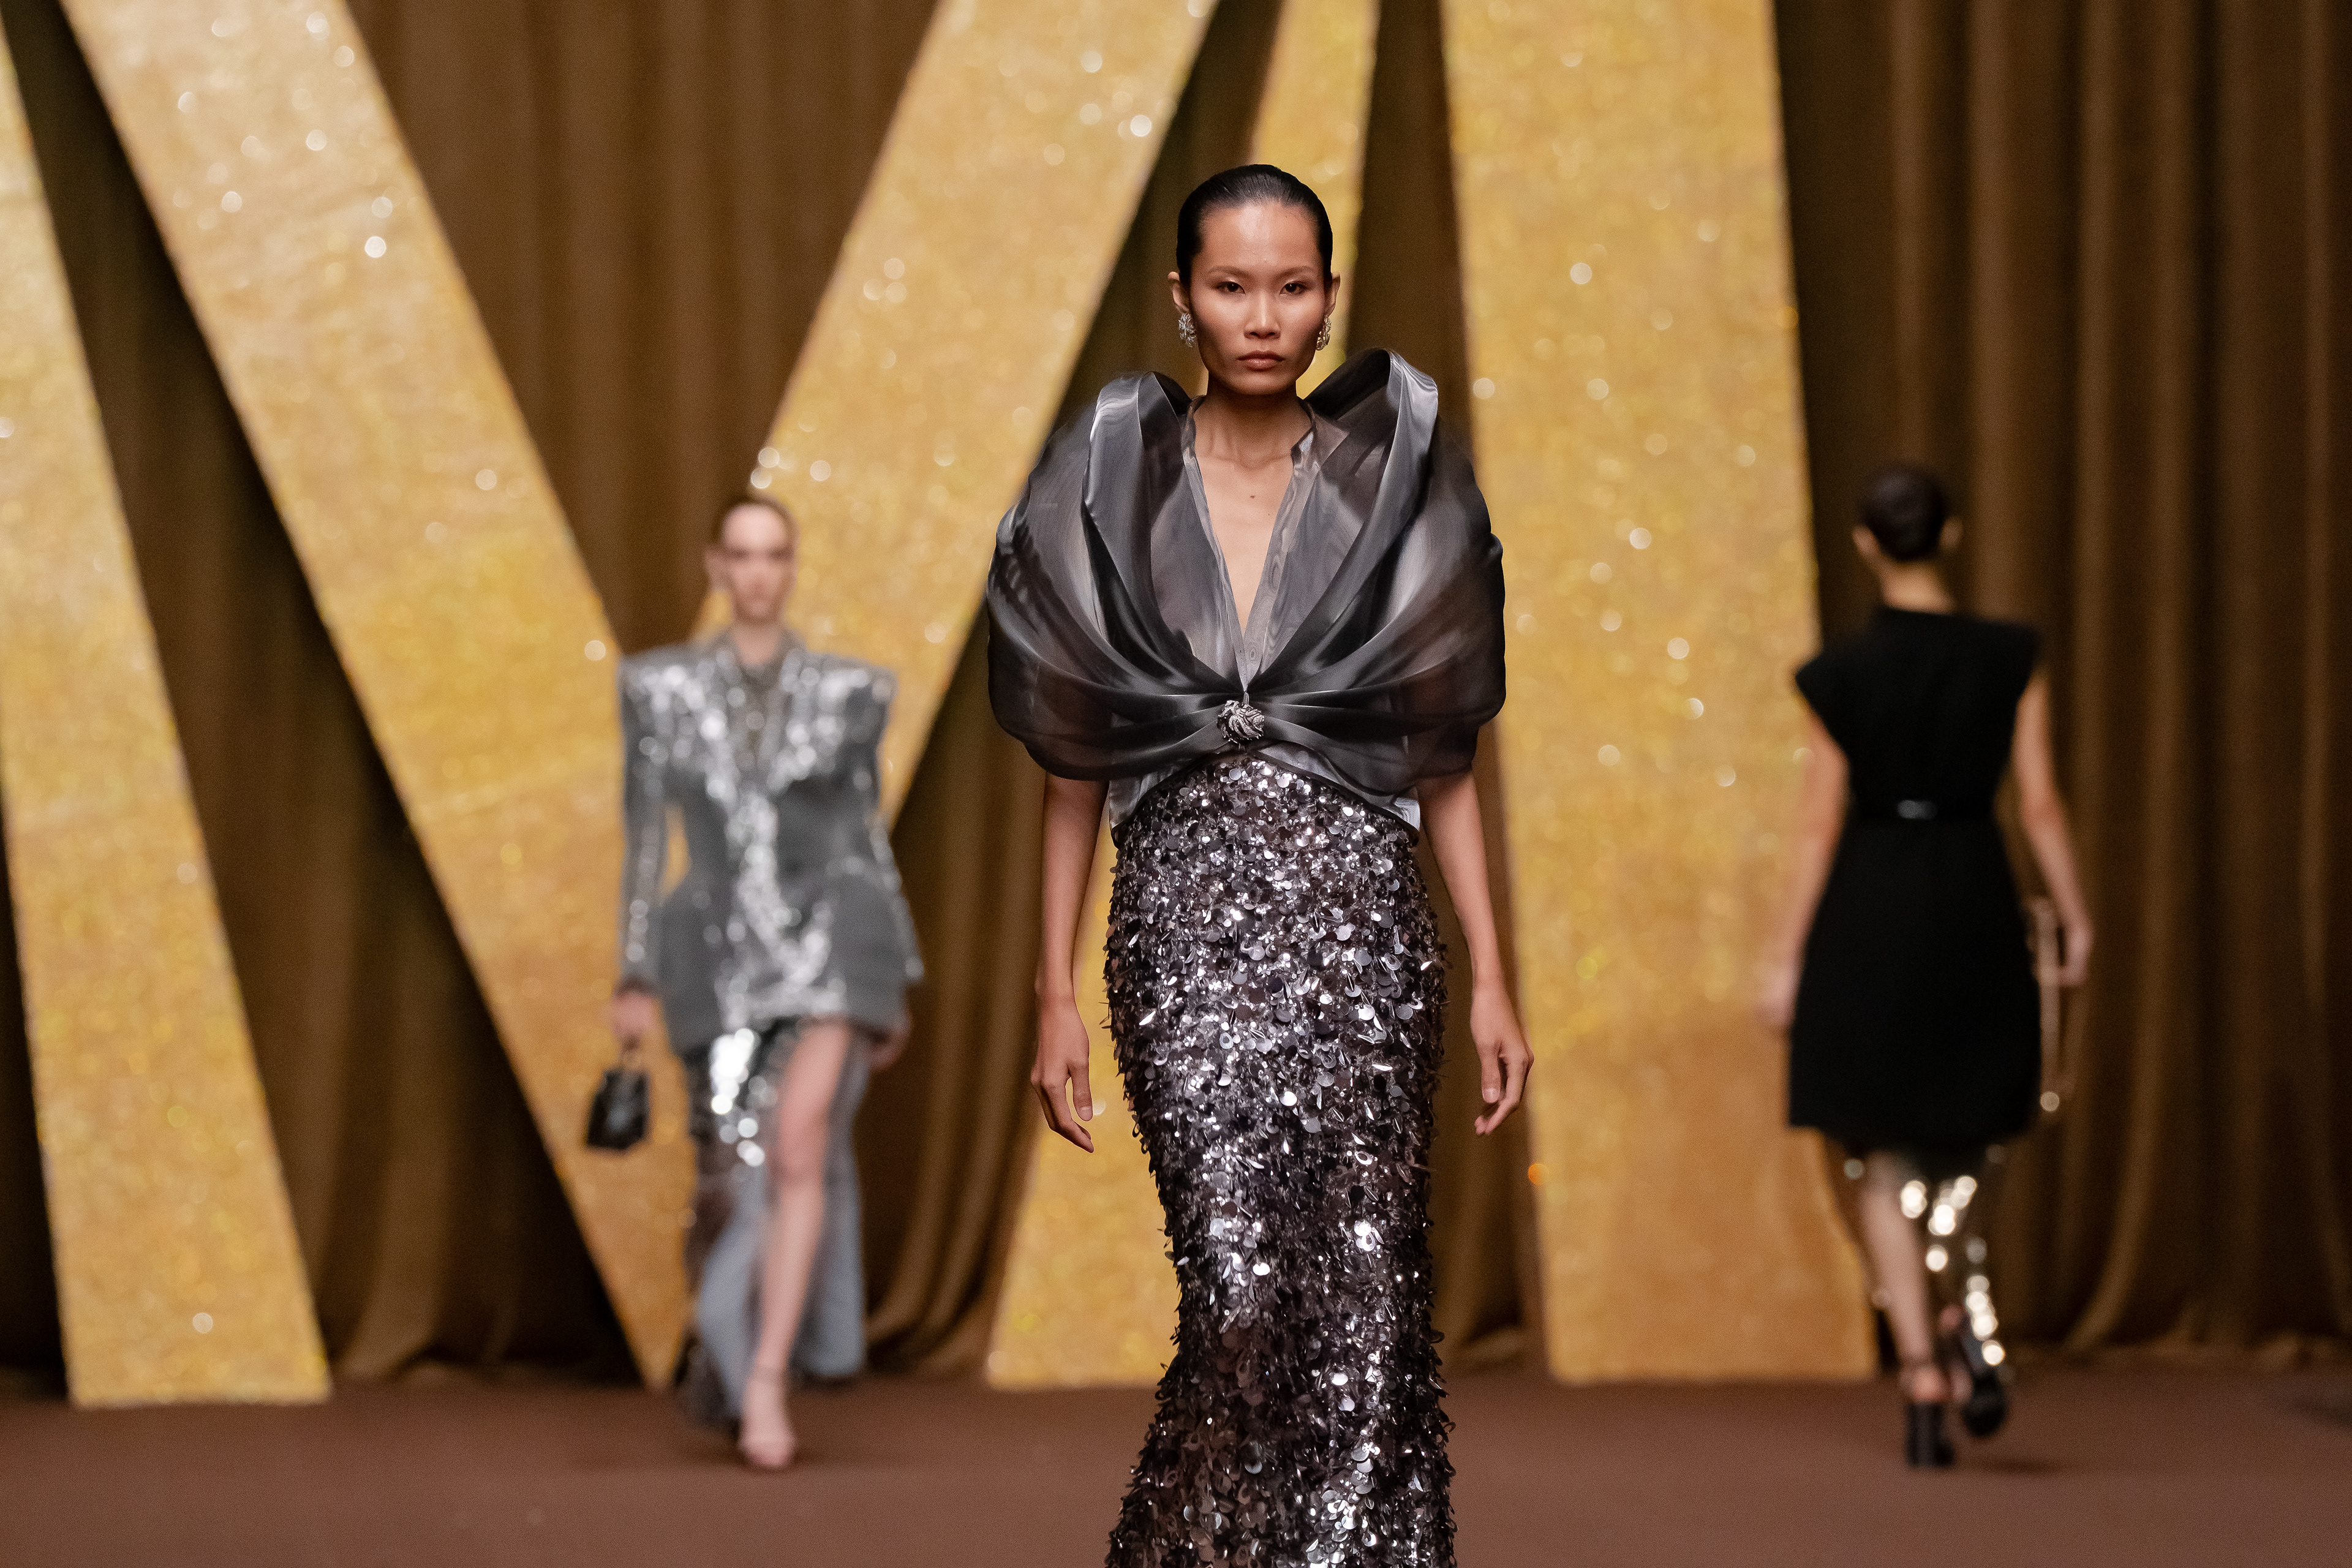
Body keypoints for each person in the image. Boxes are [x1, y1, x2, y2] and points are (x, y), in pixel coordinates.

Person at [987, 165, 1529, 1567]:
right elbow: (1072, 766)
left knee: (1364, 1308)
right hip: (1179, 936)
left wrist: (1491, 975)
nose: (1265, 316)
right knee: (1234, 1295)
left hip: (1367, 937)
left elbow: (1443, 753)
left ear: (1331, 297)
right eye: (1233, 286)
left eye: (1292, 286)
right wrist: (1053, 992)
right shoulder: (1112, 482)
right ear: (1183, 298)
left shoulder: (1394, 488)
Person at [1757, 464, 2092, 1468]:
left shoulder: (1841, 674)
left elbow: (1817, 825)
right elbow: (2040, 803)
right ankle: (1964, 1309)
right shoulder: (2011, 656)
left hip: (1872, 906)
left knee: (1880, 1149)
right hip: (1973, 895)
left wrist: (1784, 955)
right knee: (1976, 1130)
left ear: (1866, 544)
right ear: (1950, 534)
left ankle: (1920, 1369)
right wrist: (2075, 915)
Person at [608, 494, 922, 1471]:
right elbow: (645, 835)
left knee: (796, 1149)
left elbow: (866, 835)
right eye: (741, 554)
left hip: (830, 945)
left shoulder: (848, 691)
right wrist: (634, 967)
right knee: (732, 1176)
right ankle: (730, 1350)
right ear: (717, 565)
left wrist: (897, 969)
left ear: (791, 567)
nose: (757, 572)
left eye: (774, 554)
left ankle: (767, 1383)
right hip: (715, 956)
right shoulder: (659, 689)